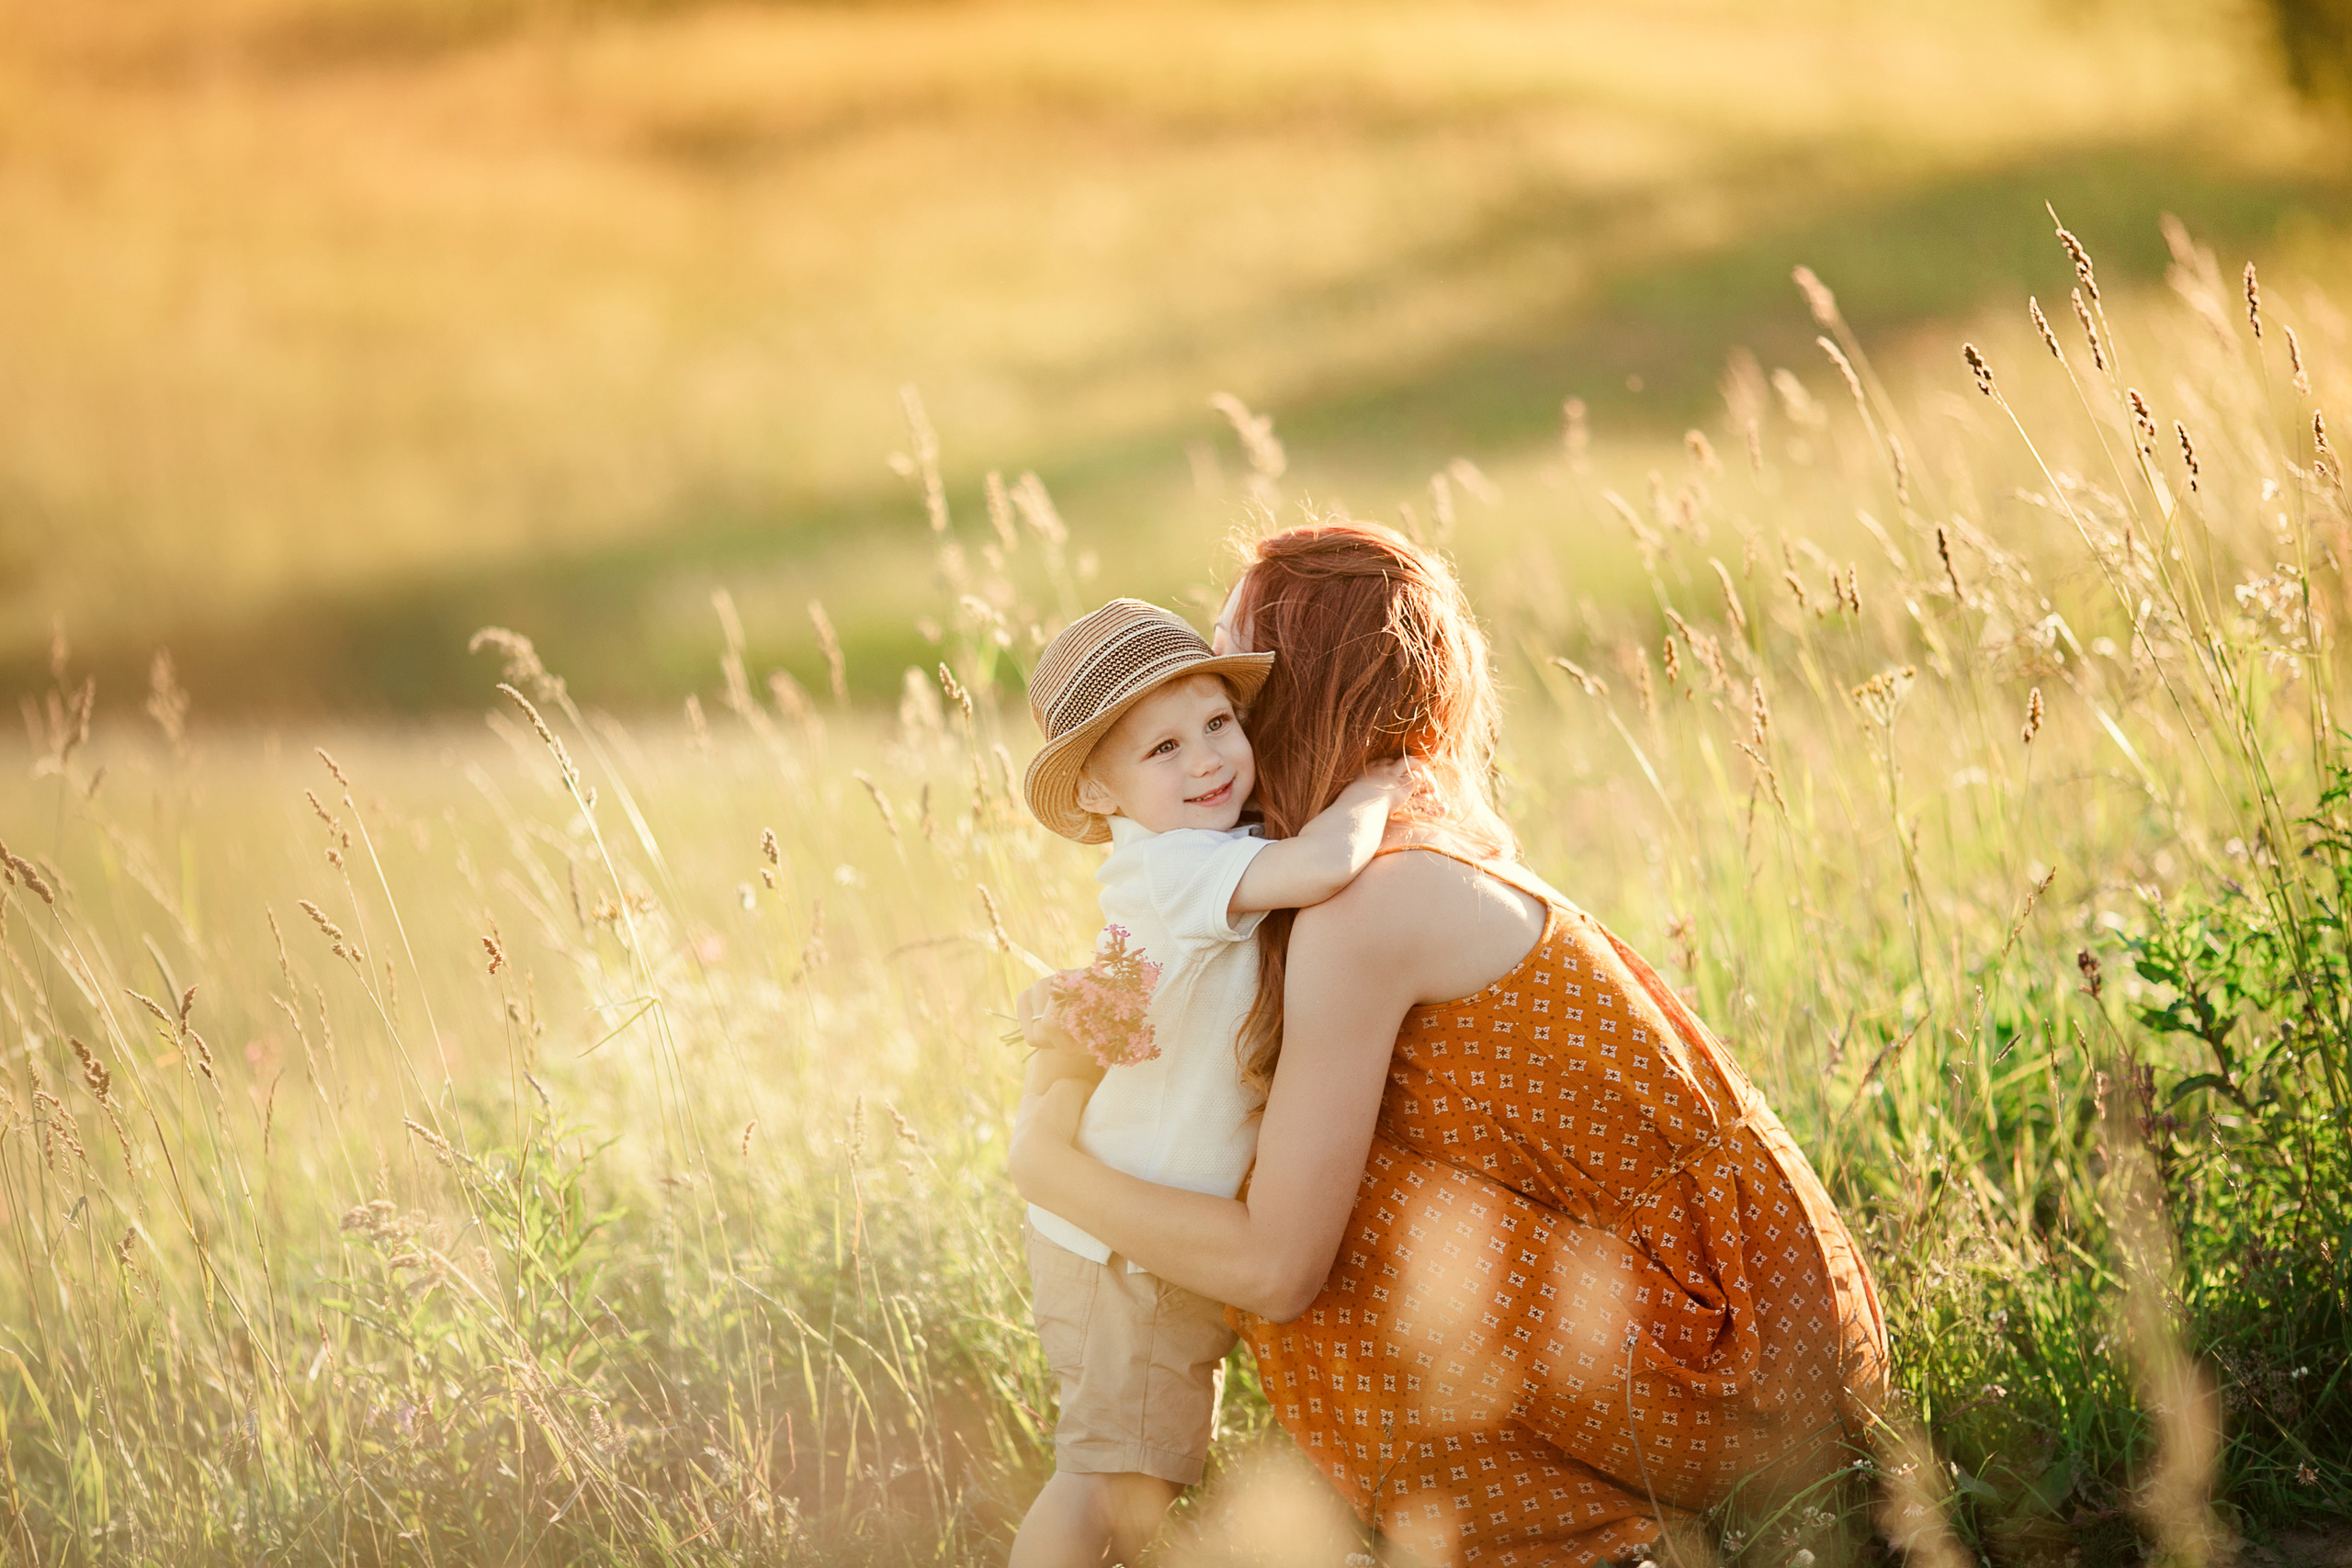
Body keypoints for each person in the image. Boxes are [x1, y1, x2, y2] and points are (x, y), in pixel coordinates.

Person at [1012, 521, 1888, 1568]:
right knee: (1297, 1136)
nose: (1216, 738)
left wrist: (1051, 1170)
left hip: (1733, 1365)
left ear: (1303, 690)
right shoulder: (1411, 835)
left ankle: (1555, 1527)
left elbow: (1276, 1268)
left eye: (1236, 694)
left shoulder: (1363, 903)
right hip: (1775, 1325)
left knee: (1293, 1183)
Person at [1010, 597, 1419, 1568]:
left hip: (1149, 1227)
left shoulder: (1205, 852)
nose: (1206, 760)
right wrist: (1380, 782)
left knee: (1130, 1477)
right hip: (1130, 1241)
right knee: (1105, 1482)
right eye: (1163, 749)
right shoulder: (1171, 868)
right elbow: (1322, 866)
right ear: (1098, 792)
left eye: (1217, 723)